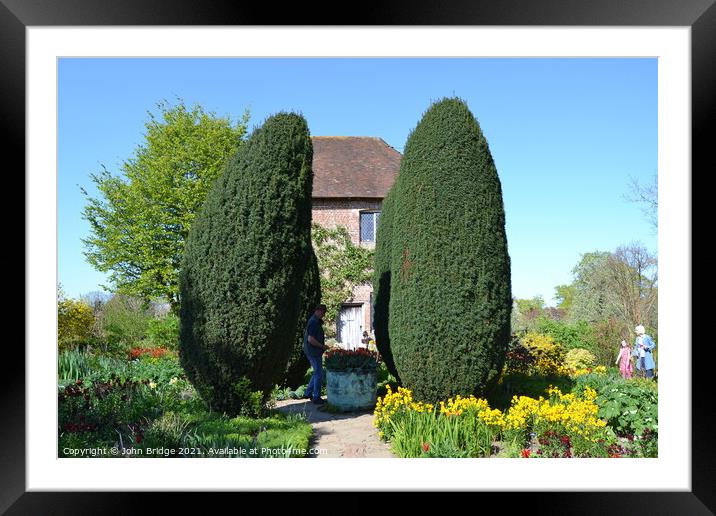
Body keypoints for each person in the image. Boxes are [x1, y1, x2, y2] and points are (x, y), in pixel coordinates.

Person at [302, 304, 329, 404]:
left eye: (325, 312)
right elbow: (310, 339)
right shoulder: (313, 322)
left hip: (313, 351)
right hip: (313, 351)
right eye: (323, 312)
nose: (324, 314)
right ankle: (316, 397)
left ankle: (308, 392)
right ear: (317, 311)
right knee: (319, 373)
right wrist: (322, 346)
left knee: (317, 372)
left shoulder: (315, 321)